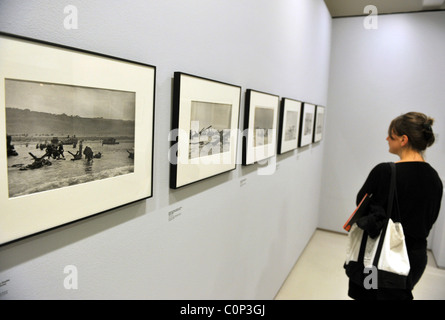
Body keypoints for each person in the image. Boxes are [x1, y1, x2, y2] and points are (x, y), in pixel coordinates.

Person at [348, 112, 443, 300]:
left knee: (369, 296)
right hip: (413, 260)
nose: (386, 138)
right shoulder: (435, 179)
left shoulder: (385, 172)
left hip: (378, 257)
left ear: (403, 139)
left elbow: (362, 206)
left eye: (390, 135)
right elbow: (429, 220)